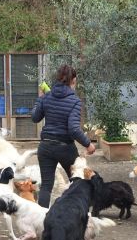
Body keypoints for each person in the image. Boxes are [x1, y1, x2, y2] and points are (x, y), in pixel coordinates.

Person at [31, 64, 96, 208]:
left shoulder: (47, 97)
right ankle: (78, 215)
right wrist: (88, 143)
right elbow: (73, 129)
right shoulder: (75, 101)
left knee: (46, 186)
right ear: (73, 80)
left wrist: (40, 99)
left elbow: (35, 117)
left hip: (46, 146)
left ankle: (43, 223)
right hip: (65, 147)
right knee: (77, 181)